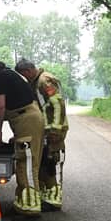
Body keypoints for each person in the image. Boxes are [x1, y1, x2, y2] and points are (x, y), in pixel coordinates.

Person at [0, 60, 44, 220]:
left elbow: (1, 106)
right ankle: (21, 205)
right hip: (28, 120)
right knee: (24, 163)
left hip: (27, 120)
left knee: (27, 164)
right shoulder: (13, 75)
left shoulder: (3, 77)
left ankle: (31, 209)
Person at [16, 59, 69, 211]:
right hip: (46, 129)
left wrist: (56, 129)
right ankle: (47, 196)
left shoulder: (44, 81)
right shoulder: (37, 81)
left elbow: (58, 103)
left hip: (53, 130)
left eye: (23, 75)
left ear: (27, 72)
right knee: (45, 161)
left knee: (53, 161)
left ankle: (54, 198)